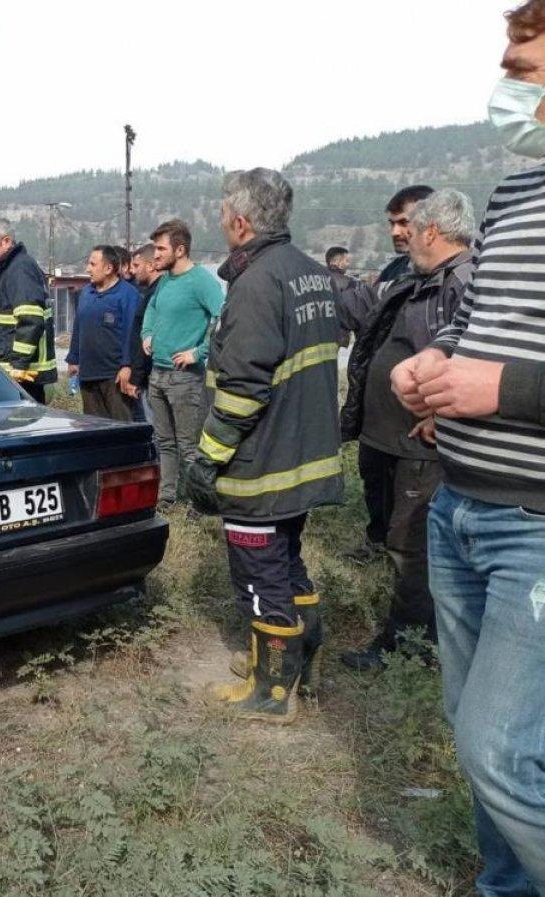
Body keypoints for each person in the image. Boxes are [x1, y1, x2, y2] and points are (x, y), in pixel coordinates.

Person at [392, 4, 545, 887]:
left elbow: (510, 373)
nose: (505, 86)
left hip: (535, 523)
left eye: (521, 67)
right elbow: (480, 321)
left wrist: (504, 389)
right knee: (488, 738)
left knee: (498, 751)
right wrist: (440, 362)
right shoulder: (520, 189)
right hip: (460, 506)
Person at [186, 169, 343, 721]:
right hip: (301, 458)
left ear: (240, 221)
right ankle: (302, 662)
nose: (220, 220)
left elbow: (242, 388)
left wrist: (206, 458)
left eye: (222, 212)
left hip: (261, 465)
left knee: (260, 575)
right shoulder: (310, 273)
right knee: (289, 561)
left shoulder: (256, 283)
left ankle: (271, 691)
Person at [339, 190, 475, 672]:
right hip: (386, 439)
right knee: (392, 535)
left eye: (409, 226)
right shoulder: (414, 276)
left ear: (431, 230)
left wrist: (445, 415)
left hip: (420, 444)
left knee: (413, 547)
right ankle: (407, 625)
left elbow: (476, 359)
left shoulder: (466, 281)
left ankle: (410, 649)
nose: (402, 235)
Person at [345, 184, 436, 564]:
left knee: (413, 515)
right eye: (391, 223)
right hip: (380, 422)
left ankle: (409, 594)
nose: (396, 231)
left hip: (415, 428)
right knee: (376, 488)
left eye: (404, 222)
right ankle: (376, 543)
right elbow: (364, 314)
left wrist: (437, 412)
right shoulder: (397, 270)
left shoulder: (459, 277)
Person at [140, 220, 224, 504]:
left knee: (188, 446)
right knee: (165, 443)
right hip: (158, 375)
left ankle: (196, 503)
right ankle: (167, 499)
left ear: (180, 249)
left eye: (161, 249)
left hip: (184, 378)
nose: (156, 255)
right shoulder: (164, 281)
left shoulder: (200, 281)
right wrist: (147, 333)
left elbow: (224, 319)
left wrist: (199, 352)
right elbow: (152, 309)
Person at [0, 219, 57, 403]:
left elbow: (31, 319)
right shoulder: (13, 267)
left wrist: (19, 364)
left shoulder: (19, 269)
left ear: (6, 241)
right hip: (18, 373)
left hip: (24, 375)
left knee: (24, 425)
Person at [65, 246, 140, 421]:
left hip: (114, 377)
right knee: (95, 430)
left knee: (120, 431)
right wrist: (73, 359)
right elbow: (79, 326)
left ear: (108, 268)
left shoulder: (128, 295)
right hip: (88, 375)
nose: (87, 269)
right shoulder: (86, 293)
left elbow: (132, 334)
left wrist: (127, 366)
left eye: (92, 264)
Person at [126, 244, 161, 421]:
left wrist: (137, 377)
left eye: (136, 266)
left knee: (156, 433)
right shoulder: (148, 293)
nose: (132, 271)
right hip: (148, 377)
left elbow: (146, 340)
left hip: (151, 377)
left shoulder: (157, 294)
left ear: (151, 265)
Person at [326, 246, 378, 348]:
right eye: (346, 261)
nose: (348, 264)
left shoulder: (316, 279)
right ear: (335, 261)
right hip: (337, 335)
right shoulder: (349, 284)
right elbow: (359, 316)